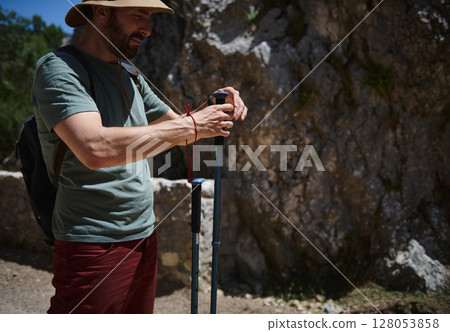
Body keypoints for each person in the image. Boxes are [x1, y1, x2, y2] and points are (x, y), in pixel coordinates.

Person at [31, 0, 247, 314]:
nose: (147, 29)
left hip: (144, 235)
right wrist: (193, 124)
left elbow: (180, 131)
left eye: (149, 17)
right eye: (138, 15)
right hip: (93, 242)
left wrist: (216, 105)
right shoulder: (59, 69)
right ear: (102, 12)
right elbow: (95, 149)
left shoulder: (129, 74)